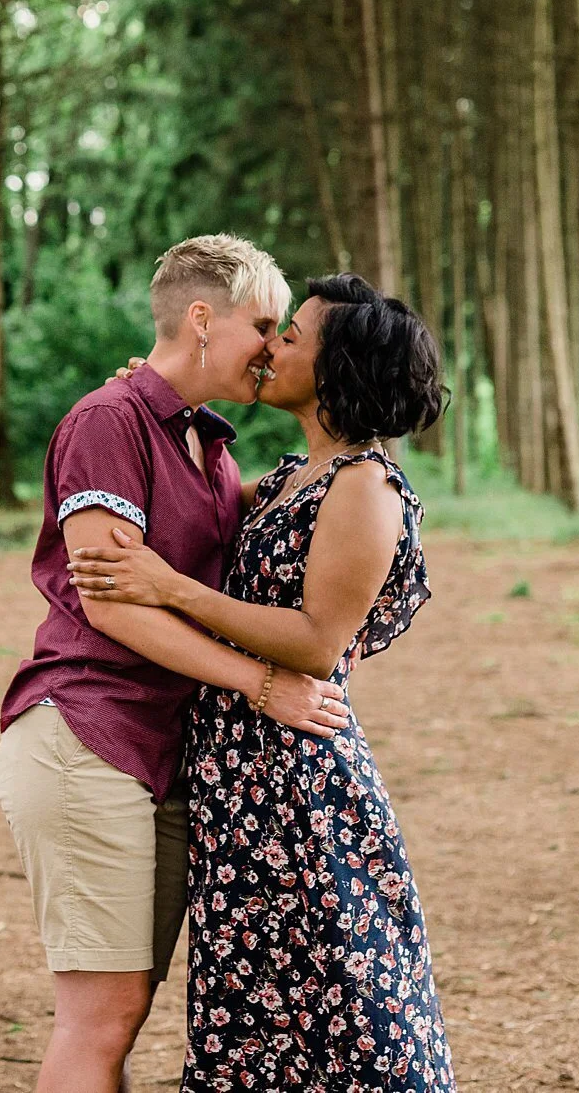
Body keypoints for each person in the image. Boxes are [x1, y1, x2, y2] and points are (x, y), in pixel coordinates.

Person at [69, 274, 456, 1091]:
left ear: (339, 366)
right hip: (238, 773)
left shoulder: (364, 487)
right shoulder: (289, 479)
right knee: (261, 1010)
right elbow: (186, 514)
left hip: (297, 778)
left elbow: (318, 642)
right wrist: (139, 409)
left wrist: (170, 589)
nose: (273, 345)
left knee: (341, 1005)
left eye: (295, 336)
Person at [0, 236, 355, 1093]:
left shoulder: (206, 441)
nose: (272, 348)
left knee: (124, 1009)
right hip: (88, 735)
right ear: (202, 318)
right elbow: (113, 601)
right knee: (101, 1018)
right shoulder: (106, 423)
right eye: (262, 325)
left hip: (158, 753)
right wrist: (262, 682)